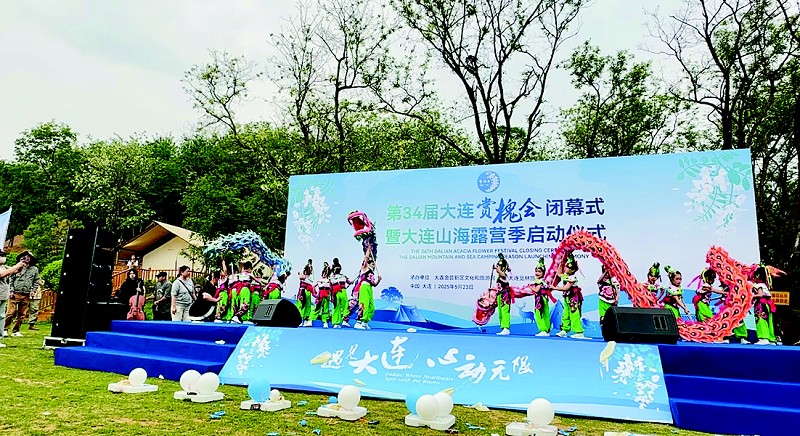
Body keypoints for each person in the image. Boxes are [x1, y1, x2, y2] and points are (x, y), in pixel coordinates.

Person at [4, 251, 40, 337]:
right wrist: (11, 291)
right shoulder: (16, 267)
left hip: (26, 294)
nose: (26, 258)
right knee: (10, 313)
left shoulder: (34, 269)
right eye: (25, 256)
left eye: (28, 257)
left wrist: (33, 290)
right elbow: (10, 280)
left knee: (22, 314)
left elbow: (36, 281)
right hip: (15, 293)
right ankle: (5, 329)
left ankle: (16, 331)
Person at [553, 253, 587, 339]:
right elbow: (559, 274)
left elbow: (566, 288)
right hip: (567, 298)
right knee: (565, 314)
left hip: (573, 299)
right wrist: (561, 264)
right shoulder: (566, 276)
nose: (566, 268)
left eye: (567, 267)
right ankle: (564, 330)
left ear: (572, 270)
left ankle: (579, 332)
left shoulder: (572, 277)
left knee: (574, 314)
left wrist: (554, 288)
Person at [0, 252, 26, 346]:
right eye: (1, 256)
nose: (3, 257)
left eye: (4, 256)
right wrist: (17, 265)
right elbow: (2, 274)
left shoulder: (4, 266)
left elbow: (15, 271)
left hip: (2, 295)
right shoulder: (2, 269)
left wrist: (21, 264)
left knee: (1, 317)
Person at [751, 265, 778, 345]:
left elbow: (760, 295)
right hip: (766, 305)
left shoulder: (758, 285)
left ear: (758, 276)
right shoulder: (764, 285)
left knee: (761, 320)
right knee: (769, 321)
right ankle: (771, 338)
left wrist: (751, 296)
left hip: (761, 305)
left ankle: (763, 338)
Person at [354, 253, 380, 330]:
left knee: (372, 307)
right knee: (364, 305)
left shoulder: (372, 273)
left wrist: (378, 280)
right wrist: (368, 250)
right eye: (372, 264)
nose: (374, 265)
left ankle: (365, 322)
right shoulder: (365, 269)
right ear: (368, 264)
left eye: (374, 264)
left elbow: (374, 284)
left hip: (369, 288)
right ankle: (358, 322)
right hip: (364, 287)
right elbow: (365, 259)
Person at [529, 257, 554, 336]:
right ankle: (546, 330)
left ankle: (543, 330)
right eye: (536, 271)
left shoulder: (539, 281)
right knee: (545, 314)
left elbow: (536, 290)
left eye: (539, 271)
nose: (537, 273)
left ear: (543, 273)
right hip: (544, 298)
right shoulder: (544, 281)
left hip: (540, 299)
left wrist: (530, 287)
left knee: (539, 314)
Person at [330, 258, 353, 329]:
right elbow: (330, 288)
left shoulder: (343, 276)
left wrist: (351, 282)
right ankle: (336, 323)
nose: (337, 269)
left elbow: (349, 282)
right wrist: (332, 297)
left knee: (345, 306)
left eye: (338, 268)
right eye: (335, 268)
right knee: (336, 307)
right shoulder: (331, 277)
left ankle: (345, 320)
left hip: (342, 291)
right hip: (335, 293)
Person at [494, 253, 513, 336]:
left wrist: (498, 269)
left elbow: (502, 274)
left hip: (505, 296)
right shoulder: (499, 276)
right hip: (500, 295)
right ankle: (503, 327)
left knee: (505, 311)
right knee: (500, 311)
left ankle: (506, 328)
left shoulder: (504, 275)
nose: (497, 267)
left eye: (498, 266)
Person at [311, 262, 332, 328]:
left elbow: (331, 289)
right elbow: (313, 286)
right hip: (320, 295)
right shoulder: (319, 280)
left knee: (326, 309)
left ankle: (325, 321)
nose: (324, 274)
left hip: (327, 296)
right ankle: (310, 320)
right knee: (316, 308)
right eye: (323, 273)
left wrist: (331, 296)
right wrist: (314, 293)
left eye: (325, 273)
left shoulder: (329, 281)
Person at [296, 262, 316, 327]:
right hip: (303, 291)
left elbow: (313, 285)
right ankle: (300, 319)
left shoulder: (311, 277)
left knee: (307, 306)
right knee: (301, 305)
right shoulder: (303, 276)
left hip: (308, 292)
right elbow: (300, 276)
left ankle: (306, 319)